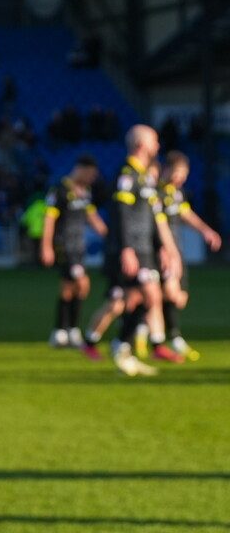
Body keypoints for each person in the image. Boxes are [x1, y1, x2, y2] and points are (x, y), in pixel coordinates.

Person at [78, 125, 182, 375]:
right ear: (141, 144)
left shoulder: (145, 176)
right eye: (154, 141)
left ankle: (120, 348)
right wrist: (126, 248)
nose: (157, 146)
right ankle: (119, 345)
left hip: (144, 247)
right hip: (131, 248)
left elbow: (149, 218)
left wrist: (162, 248)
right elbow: (121, 214)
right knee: (149, 295)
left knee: (134, 298)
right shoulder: (127, 175)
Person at [156, 150, 222, 360]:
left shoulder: (177, 193)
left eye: (184, 173)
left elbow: (186, 214)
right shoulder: (155, 192)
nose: (181, 177)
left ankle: (145, 328)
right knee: (169, 292)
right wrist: (162, 248)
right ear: (166, 169)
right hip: (163, 251)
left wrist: (206, 230)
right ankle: (171, 338)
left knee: (179, 298)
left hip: (177, 249)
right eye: (177, 172)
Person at [39, 154, 107, 348]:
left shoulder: (84, 191)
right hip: (64, 244)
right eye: (91, 174)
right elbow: (49, 219)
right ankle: (73, 330)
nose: (92, 179)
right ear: (82, 169)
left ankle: (60, 331)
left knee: (68, 290)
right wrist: (46, 246)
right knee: (82, 283)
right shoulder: (59, 190)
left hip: (79, 246)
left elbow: (92, 216)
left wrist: (110, 236)